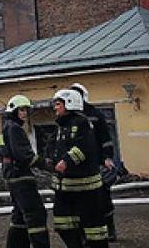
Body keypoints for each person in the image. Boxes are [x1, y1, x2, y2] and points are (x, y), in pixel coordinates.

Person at [51, 89, 109, 248]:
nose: (55, 108)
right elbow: (56, 148)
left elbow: (85, 147)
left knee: (93, 227)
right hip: (65, 186)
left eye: (58, 104)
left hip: (86, 186)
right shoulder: (61, 125)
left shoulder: (82, 123)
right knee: (63, 223)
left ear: (69, 104)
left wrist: (66, 161)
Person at [70, 82, 118, 241]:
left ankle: (109, 227)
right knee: (80, 200)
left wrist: (107, 158)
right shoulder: (69, 117)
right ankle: (84, 233)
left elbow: (105, 139)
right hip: (76, 164)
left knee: (102, 195)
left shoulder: (95, 114)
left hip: (97, 163)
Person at [1, 94, 50, 248]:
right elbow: (24, 155)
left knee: (20, 216)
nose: (24, 114)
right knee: (36, 214)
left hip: (13, 177)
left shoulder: (7, 127)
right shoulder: (14, 129)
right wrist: (46, 164)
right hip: (21, 177)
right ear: (13, 111)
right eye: (21, 110)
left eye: (26, 111)